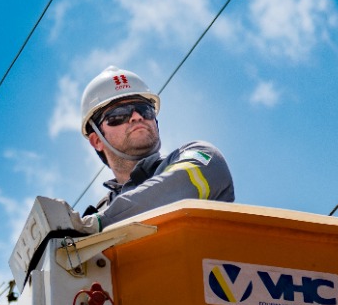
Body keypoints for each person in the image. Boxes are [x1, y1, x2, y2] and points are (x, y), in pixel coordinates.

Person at [79, 67, 234, 230]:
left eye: (144, 110)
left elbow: (168, 192)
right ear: (97, 140)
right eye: (118, 114)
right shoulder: (100, 212)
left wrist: (96, 224)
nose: (137, 116)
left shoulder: (201, 157)